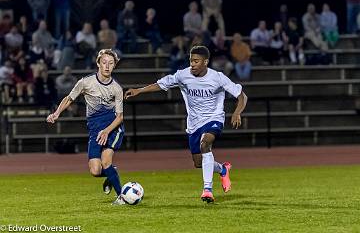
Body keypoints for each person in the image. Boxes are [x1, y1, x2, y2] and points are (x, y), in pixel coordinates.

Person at [125, 45, 247, 203]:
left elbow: (242, 96)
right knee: (198, 163)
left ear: (205, 62)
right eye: (191, 61)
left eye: (196, 61)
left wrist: (237, 112)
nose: (193, 64)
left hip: (214, 118)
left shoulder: (218, 77)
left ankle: (207, 190)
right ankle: (222, 169)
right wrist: (139, 90)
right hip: (194, 123)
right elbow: (161, 84)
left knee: (205, 144)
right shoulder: (183, 75)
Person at [46, 49, 126, 205]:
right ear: (98, 63)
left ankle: (121, 197)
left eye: (111, 63)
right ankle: (111, 174)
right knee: (95, 171)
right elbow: (69, 98)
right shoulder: (85, 82)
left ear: (114, 65)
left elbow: (120, 117)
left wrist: (107, 130)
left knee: (106, 160)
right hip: (95, 131)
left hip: (113, 129)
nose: (107, 66)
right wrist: (57, 113)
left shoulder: (117, 88)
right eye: (104, 62)